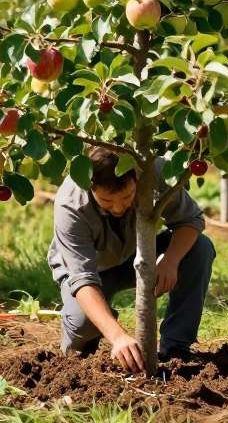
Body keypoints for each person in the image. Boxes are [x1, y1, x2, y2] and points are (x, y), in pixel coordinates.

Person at [47, 145, 215, 373]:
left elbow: (191, 220)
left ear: (136, 177)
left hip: (137, 257)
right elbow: (82, 279)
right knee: (83, 322)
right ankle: (78, 355)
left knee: (200, 248)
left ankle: (177, 348)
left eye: (127, 197)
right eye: (106, 201)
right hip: (91, 269)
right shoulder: (70, 204)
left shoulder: (153, 171)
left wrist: (171, 260)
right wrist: (118, 337)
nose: (118, 207)